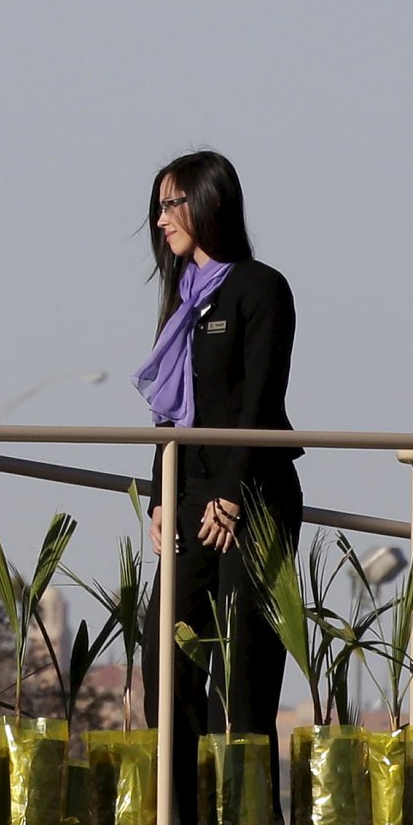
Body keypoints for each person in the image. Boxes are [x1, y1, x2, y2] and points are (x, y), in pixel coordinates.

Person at [136, 149, 301, 760]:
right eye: (159, 207)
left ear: (211, 202)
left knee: (242, 673)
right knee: (165, 655)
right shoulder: (181, 299)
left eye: (172, 204)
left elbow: (258, 401)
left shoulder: (261, 288)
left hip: (250, 498)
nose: (162, 220)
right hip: (188, 496)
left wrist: (231, 493)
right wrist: (160, 496)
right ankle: (177, 814)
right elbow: (170, 416)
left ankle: (242, 818)